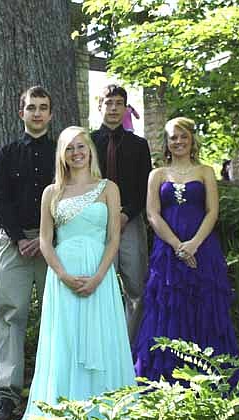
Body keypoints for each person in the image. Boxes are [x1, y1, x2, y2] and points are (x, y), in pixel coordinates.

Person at [18, 126, 135, 420]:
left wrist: (99, 276)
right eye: (69, 148)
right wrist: (62, 275)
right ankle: (62, 415)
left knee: (100, 336)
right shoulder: (51, 192)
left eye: (81, 147)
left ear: (90, 151)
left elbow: (113, 239)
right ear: (62, 154)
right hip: (64, 276)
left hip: (100, 274)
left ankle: (106, 414)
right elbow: (45, 240)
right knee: (66, 341)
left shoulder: (109, 187)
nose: (76, 153)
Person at [133, 117, 238, 382]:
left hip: (203, 249)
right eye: (173, 137)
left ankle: (208, 376)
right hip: (167, 252)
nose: (178, 142)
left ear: (191, 140)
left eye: (183, 137)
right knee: (168, 307)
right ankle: (165, 375)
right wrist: (177, 245)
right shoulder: (156, 174)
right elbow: (152, 214)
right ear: (166, 143)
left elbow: (212, 211)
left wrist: (193, 244)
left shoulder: (205, 172)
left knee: (204, 305)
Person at [0, 86, 55, 420]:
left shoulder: (63, 154)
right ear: (22, 113)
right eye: (32, 107)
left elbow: (69, 200)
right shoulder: (7, 153)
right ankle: (6, 394)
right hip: (13, 242)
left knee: (55, 315)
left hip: (53, 244)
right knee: (9, 315)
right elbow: (0, 200)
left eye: (43, 108)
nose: (38, 113)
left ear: (51, 114)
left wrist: (45, 239)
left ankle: (51, 389)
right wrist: (19, 239)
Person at [91, 84, 152, 343]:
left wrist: (126, 213)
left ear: (125, 108)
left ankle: (128, 347)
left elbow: (144, 186)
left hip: (131, 222)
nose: (114, 108)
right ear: (100, 106)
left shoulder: (139, 145)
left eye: (119, 103)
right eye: (109, 103)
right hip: (96, 225)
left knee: (136, 287)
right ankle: (103, 344)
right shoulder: (88, 143)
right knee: (101, 286)